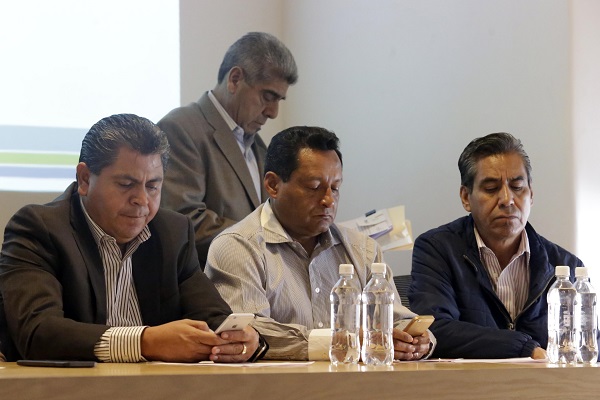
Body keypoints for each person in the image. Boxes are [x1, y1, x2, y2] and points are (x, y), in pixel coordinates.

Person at [0, 114, 267, 363]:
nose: (142, 200)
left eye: (153, 186)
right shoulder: (39, 228)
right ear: (84, 179)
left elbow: (214, 318)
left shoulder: (173, 232)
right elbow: (37, 332)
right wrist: (145, 341)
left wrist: (241, 339)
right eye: (126, 185)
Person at [205, 126, 434, 360]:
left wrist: (416, 341)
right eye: (314, 187)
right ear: (273, 185)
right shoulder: (237, 247)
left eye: (335, 188)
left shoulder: (362, 249)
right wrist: (345, 342)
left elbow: (397, 320)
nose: (328, 200)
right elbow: (249, 332)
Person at [409, 132, 584, 359]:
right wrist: (523, 347)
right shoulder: (437, 249)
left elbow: (586, 344)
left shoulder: (566, 266)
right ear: (466, 197)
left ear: (531, 194)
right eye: (491, 189)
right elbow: (434, 329)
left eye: (517, 186)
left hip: (546, 381)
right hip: (470, 381)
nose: (507, 199)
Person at [158, 32, 298, 266]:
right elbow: (183, 221)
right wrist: (267, 238)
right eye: (268, 96)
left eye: (278, 100)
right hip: (206, 285)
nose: (273, 112)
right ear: (235, 79)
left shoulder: (258, 145)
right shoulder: (180, 128)